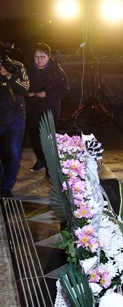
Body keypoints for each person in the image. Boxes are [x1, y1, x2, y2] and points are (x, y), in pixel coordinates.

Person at [25, 43, 70, 172]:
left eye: (42, 56)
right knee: (34, 135)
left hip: (50, 107)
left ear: (49, 57)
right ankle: (40, 159)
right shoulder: (27, 70)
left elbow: (65, 89)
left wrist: (48, 94)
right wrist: (26, 92)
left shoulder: (57, 70)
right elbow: (21, 86)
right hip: (32, 107)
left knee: (48, 136)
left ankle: (51, 164)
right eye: (36, 57)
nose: (39, 60)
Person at [0, 54, 29, 197]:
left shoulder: (17, 65)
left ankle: (6, 186)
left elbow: (25, 89)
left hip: (15, 118)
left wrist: (9, 76)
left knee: (13, 154)